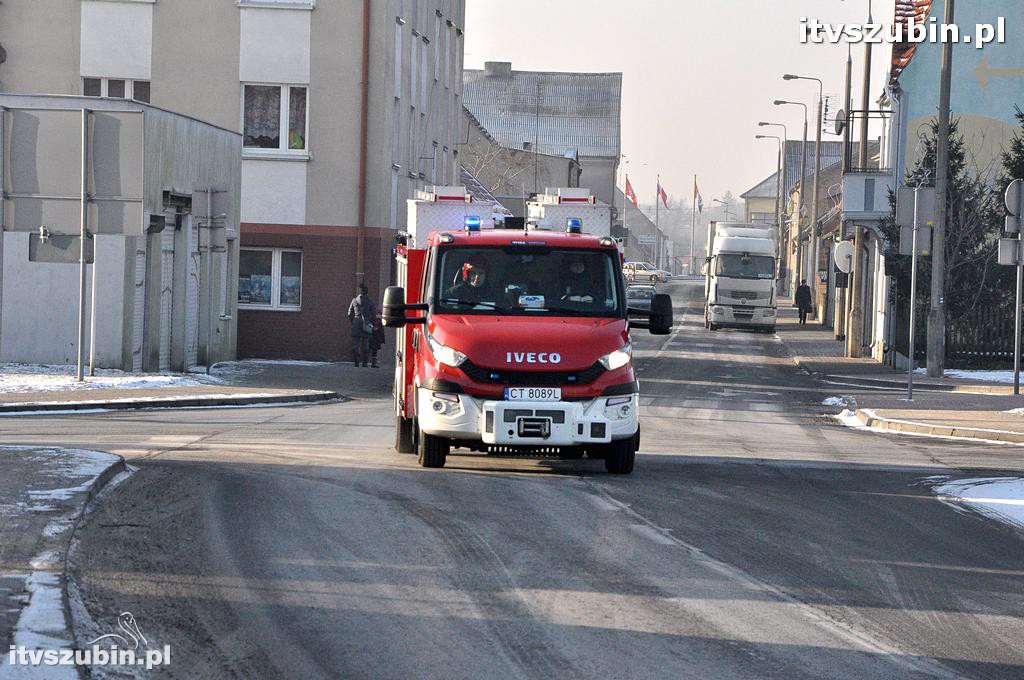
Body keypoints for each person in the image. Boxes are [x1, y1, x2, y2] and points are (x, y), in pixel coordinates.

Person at [347, 283, 377, 367]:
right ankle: (365, 363)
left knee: (355, 343)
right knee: (366, 344)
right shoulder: (370, 302)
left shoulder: (354, 300)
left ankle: (356, 362)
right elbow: (374, 315)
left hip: (356, 323)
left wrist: (353, 321)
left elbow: (349, 313)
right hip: (366, 324)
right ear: (367, 292)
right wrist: (370, 322)